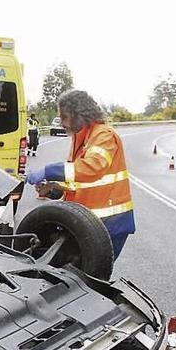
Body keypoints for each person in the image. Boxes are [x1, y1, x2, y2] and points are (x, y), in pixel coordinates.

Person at [25, 90, 135, 260]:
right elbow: (80, 180)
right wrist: (55, 189)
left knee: (89, 281)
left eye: (64, 117)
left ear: (78, 115)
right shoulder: (82, 138)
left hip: (109, 224)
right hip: (89, 223)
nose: (61, 123)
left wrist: (48, 170)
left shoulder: (103, 135)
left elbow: (91, 168)